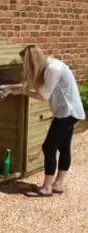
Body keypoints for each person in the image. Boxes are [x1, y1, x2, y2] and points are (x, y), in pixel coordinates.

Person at [12, 44, 85, 197]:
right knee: (63, 147)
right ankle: (57, 184)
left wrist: (22, 91)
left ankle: (46, 188)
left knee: (48, 147)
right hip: (69, 112)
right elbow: (42, 88)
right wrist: (20, 87)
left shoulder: (53, 69)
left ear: (32, 61)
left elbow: (44, 95)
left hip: (68, 113)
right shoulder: (50, 66)